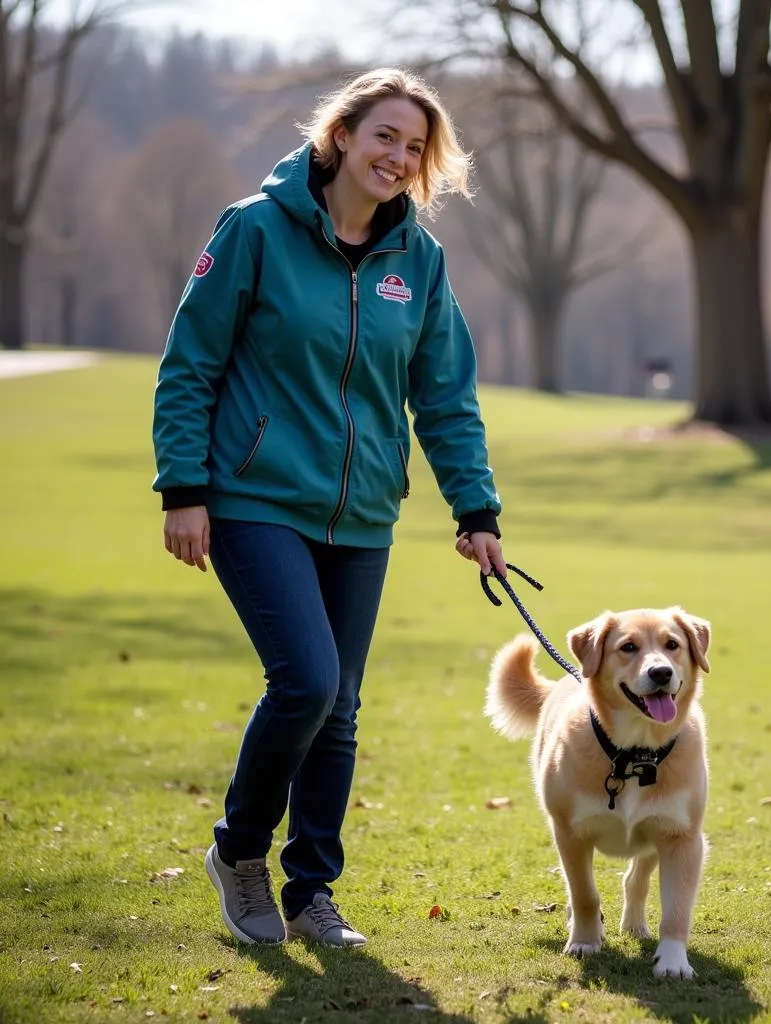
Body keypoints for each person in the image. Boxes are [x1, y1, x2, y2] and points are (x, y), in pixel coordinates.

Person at [152, 67, 506, 947]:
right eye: (384, 135)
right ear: (340, 135)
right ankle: (239, 853)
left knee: (340, 707)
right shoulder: (255, 230)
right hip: (253, 499)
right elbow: (188, 363)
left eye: (415, 147)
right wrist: (184, 489)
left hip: (362, 514)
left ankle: (311, 892)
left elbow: (445, 394)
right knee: (306, 681)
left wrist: (476, 509)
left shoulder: (416, 260)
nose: (398, 156)